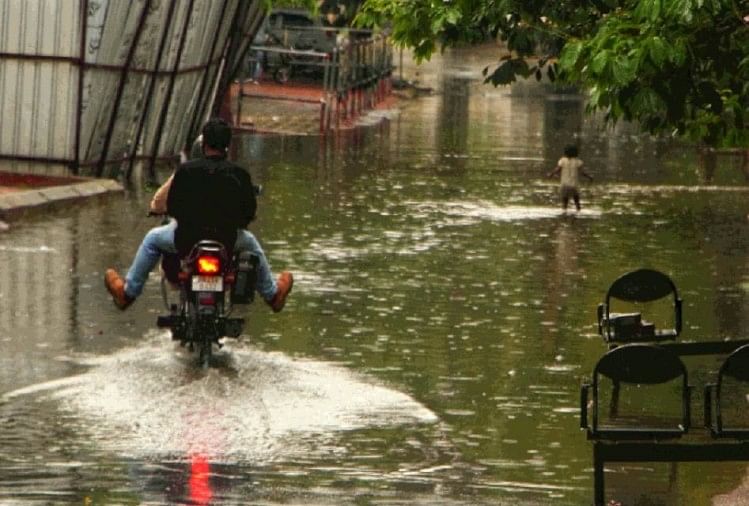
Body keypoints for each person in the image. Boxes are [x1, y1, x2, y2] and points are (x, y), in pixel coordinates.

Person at [104, 118, 293, 312]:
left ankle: (127, 294)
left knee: (152, 239)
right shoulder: (240, 174)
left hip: (185, 241)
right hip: (227, 241)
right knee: (252, 243)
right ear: (227, 146)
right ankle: (272, 296)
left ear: (204, 145)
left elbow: (174, 207)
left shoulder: (185, 171)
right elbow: (249, 213)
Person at [547, 144, 593, 211]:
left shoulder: (562, 161)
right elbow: (583, 173)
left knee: (565, 203)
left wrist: (550, 174)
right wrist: (589, 177)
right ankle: (578, 211)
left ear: (565, 152)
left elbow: (557, 169)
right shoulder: (577, 161)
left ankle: (564, 212)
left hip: (564, 185)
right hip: (574, 185)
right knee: (577, 202)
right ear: (576, 153)